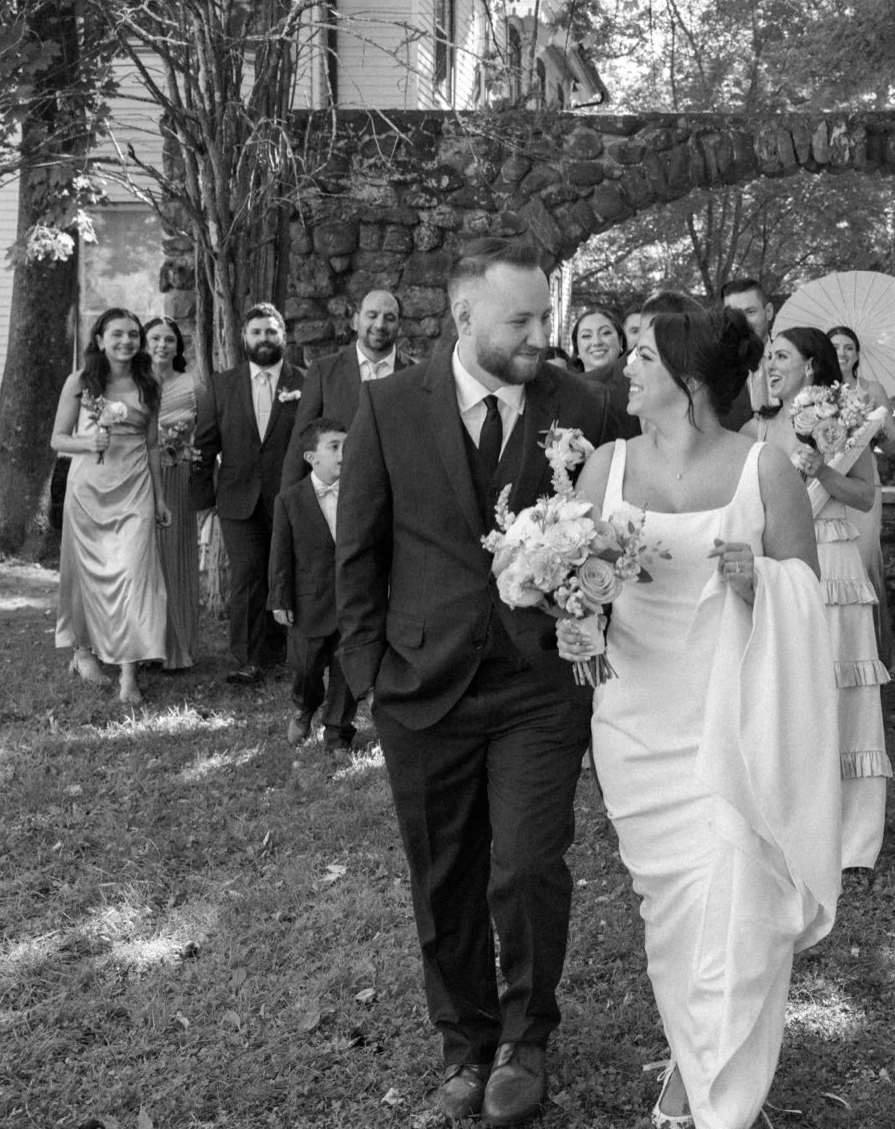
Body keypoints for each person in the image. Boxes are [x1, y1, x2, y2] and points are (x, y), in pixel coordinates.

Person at [336, 238, 627, 1126]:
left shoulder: (583, 405)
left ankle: (524, 1042)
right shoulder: (387, 409)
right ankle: (465, 1046)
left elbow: (616, 535)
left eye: (547, 314)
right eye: (524, 320)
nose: (543, 333)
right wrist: (370, 679)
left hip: (541, 683)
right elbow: (360, 553)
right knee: (446, 873)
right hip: (423, 688)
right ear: (465, 318)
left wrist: (598, 611)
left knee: (529, 863)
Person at [571, 305, 839, 1129]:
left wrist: (759, 576)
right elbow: (575, 589)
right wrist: (571, 616)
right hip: (634, 725)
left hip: (732, 719)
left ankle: (715, 1103)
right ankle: (697, 1067)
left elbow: (810, 598)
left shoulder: (767, 472)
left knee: (741, 911)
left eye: (643, 357)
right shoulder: (603, 469)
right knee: (677, 914)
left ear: (687, 385)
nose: (627, 368)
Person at [750, 326, 891, 872]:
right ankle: (794, 824)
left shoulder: (843, 420)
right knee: (792, 689)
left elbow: (863, 494)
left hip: (832, 559)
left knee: (839, 684)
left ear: (810, 366)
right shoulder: (756, 426)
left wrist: (825, 470)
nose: (771, 364)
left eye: (781, 355)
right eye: (767, 357)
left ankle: (852, 835)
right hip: (780, 567)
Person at [51, 308, 170, 705]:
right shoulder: (81, 382)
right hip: (88, 490)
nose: (126, 341)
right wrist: (89, 442)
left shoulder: (148, 383)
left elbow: (152, 445)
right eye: (117, 334)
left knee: (135, 576)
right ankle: (83, 653)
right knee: (88, 574)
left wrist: (160, 497)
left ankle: (128, 676)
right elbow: (58, 439)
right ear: (100, 340)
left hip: (134, 487)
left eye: (133, 335)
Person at [193, 303, 305, 687]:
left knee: (290, 573)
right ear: (244, 338)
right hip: (238, 498)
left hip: (290, 498)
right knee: (247, 576)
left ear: (283, 337)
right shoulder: (222, 385)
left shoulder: (304, 382)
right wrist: (202, 502)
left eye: (271, 332)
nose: (264, 339)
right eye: (256, 332)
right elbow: (205, 445)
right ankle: (249, 658)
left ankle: (292, 656)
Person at [271, 419, 356, 753]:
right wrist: (280, 599)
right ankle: (305, 706)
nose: (342, 454)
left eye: (346, 446)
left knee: (346, 669)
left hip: (351, 601)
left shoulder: (360, 492)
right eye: (333, 447)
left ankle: (338, 732)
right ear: (311, 457)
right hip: (309, 602)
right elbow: (280, 555)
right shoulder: (290, 501)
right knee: (307, 668)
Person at [279, 289, 409, 491]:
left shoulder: (417, 374)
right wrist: (288, 510)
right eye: (372, 315)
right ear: (356, 321)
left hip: (402, 499)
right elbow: (301, 442)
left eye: (389, 318)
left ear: (399, 325)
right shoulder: (324, 372)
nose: (380, 325)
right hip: (340, 500)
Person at [827, 324, 895, 665]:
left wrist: (874, 427)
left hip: (864, 480)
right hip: (828, 482)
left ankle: (874, 656)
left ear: (857, 354)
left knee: (864, 561)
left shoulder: (872, 389)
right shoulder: (816, 392)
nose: (841, 352)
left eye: (848, 347)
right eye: (835, 347)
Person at [142, 315, 200, 674]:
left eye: (169, 339)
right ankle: (143, 643)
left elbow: (208, 431)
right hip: (137, 479)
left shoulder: (193, 385)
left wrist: (193, 451)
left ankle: (177, 646)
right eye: (155, 338)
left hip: (177, 479)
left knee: (174, 557)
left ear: (178, 347)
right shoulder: (133, 385)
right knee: (142, 559)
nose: (162, 345)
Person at [717, 277, 775, 431]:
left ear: (768, 312)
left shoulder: (797, 358)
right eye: (733, 315)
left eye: (750, 312)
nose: (742, 322)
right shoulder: (715, 369)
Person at [572, 305, 629, 390]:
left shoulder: (639, 385)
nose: (597, 342)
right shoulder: (565, 391)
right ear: (577, 347)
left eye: (605, 333)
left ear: (620, 341)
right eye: (586, 336)